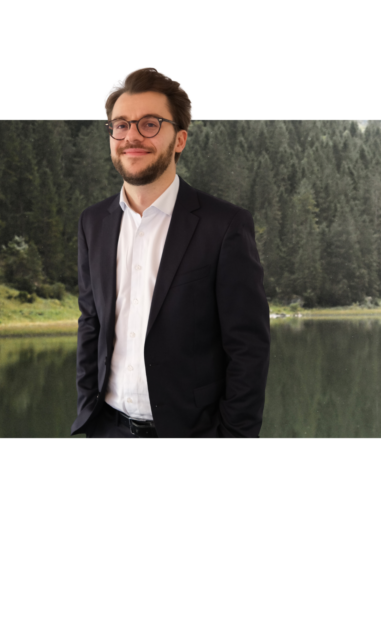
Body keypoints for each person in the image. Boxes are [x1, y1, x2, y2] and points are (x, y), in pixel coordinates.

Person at [71, 67, 270, 439]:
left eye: (150, 124)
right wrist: (87, 410)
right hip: (108, 429)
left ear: (179, 139)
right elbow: (90, 325)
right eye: (121, 125)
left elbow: (248, 348)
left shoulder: (225, 225)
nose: (132, 136)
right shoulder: (92, 222)